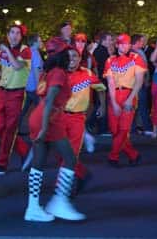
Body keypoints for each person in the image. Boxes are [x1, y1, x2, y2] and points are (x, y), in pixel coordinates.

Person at [25, 38, 85, 222]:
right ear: (61, 54)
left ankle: (34, 207)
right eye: (67, 52)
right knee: (69, 158)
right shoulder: (59, 72)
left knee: (39, 163)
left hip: (44, 116)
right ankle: (59, 201)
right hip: (49, 118)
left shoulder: (50, 71)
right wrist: (44, 127)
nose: (70, 56)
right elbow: (51, 99)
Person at [0, 25, 32, 175]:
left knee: (10, 129)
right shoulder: (2, 52)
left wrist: (7, 51)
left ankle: (2, 163)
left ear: (21, 37)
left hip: (17, 94)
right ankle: (23, 150)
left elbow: (16, 66)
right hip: (2, 92)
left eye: (18, 33)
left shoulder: (25, 50)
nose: (15, 36)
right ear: (8, 35)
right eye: (12, 33)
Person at [62, 46, 106, 193]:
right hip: (59, 117)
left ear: (80, 58)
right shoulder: (59, 74)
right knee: (61, 153)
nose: (72, 59)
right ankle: (82, 173)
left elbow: (100, 88)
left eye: (75, 56)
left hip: (77, 119)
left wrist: (102, 106)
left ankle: (61, 191)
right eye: (69, 56)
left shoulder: (87, 73)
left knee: (70, 154)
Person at [104, 34, 146, 167]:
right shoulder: (110, 60)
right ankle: (133, 155)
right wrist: (114, 102)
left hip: (129, 94)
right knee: (114, 130)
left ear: (130, 45)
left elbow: (139, 81)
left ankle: (113, 156)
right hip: (114, 95)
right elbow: (110, 82)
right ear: (117, 45)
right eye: (121, 43)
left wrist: (130, 98)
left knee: (123, 129)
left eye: (127, 43)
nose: (124, 46)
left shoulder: (136, 58)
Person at [19, 33, 43, 133]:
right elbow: (37, 72)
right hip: (34, 87)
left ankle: (15, 129)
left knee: (23, 110)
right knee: (41, 110)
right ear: (34, 42)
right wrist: (39, 88)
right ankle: (40, 131)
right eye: (40, 41)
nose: (42, 42)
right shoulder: (36, 54)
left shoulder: (28, 52)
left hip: (27, 86)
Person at [89, 32, 112, 135]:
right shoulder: (102, 51)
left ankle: (94, 124)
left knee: (100, 104)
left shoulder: (98, 50)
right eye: (109, 40)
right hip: (102, 81)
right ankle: (99, 126)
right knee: (102, 104)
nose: (110, 42)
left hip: (99, 81)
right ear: (104, 40)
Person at [131, 34, 152, 135]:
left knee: (139, 105)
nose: (143, 43)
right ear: (137, 42)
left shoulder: (139, 52)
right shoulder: (133, 53)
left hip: (139, 82)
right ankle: (146, 127)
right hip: (136, 83)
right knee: (141, 105)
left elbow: (145, 68)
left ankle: (136, 127)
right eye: (141, 41)